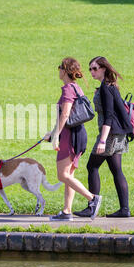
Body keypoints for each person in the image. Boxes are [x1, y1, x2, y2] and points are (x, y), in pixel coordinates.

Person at [43, 57, 102, 221]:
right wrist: (52, 132)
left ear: (65, 70)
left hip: (70, 137)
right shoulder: (76, 87)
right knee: (69, 174)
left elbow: (66, 114)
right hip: (78, 134)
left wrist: (56, 135)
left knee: (62, 175)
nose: (58, 70)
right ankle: (67, 211)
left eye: (59, 67)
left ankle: (93, 199)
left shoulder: (68, 89)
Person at [74, 56, 133, 218]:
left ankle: (92, 206)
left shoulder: (106, 88)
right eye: (90, 69)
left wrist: (102, 140)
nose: (92, 72)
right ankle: (124, 209)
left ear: (104, 69)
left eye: (95, 68)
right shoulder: (109, 87)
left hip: (110, 134)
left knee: (92, 166)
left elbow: (108, 116)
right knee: (116, 170)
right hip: (119, 134)